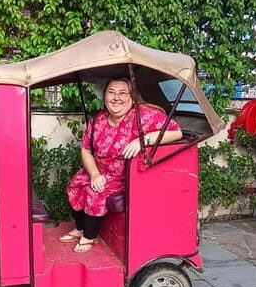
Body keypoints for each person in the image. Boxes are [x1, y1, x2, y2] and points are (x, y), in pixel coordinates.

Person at [60, 76, 183, 253]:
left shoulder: (144, 115)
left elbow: (175, 132)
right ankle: (80, 228)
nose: (116, 97)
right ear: (105, 97)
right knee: (76, 184)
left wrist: (143, 140)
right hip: (100, 171)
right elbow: (86, 150)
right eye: (111, 93)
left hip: (126, 177)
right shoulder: (99, 120)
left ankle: (89, 236)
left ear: (132, 97)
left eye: (123, 93)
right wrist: (94, 174)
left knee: (95, 192)